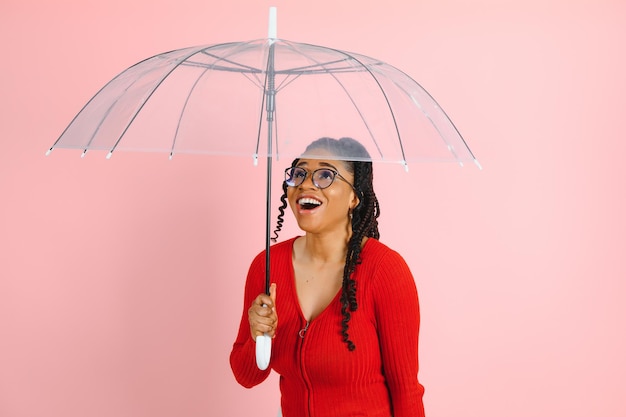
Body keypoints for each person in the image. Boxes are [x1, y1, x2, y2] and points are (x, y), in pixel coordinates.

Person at [230, 137, 425, 417]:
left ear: (354, 197)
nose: (306, 184)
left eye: (325, 175)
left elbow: (406, 390)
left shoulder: (385, 270)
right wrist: (258, 335)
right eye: (299, 173)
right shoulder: (267, 266)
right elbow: (247, 375)